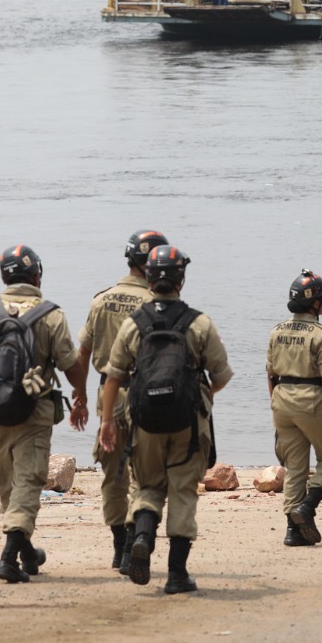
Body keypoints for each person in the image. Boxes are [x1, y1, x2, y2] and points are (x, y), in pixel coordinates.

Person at [97, 245, 233, 592]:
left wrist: (107, 422)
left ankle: (142, 537)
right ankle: (176, 574)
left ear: (149, 279)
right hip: (187, 424)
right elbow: (221, 375)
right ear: (181, 281)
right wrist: (200, 396)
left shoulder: (134, 323)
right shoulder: (199, 323)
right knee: (183, 491)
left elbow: (113, 376)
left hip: (144, 421)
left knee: (148, 486)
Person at [0, 244, 88, 584]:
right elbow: (70, 365)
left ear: (4, 277)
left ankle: (27, 553)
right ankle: (9, 558)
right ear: (37, 275)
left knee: (7, 481)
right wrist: (81, 394)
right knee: (28, 481)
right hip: (34, 411)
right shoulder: (51, 314)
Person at [76, 229, 166, 572]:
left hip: (108, 395)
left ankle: (118, 547)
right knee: (144, 471)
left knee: (113, 472)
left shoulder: (101, 300)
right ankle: (132, 541)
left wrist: (81, 396)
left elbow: (83, 352)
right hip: (148, 394)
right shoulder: (156, 303)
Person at [266, 270, 322, 547]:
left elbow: (271, 374)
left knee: (295, 467)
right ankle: (308, 506)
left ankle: (292, 531)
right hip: (312, 401)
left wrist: (276, 406)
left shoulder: (277, 331)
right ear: (315, 303)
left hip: (282, 400)